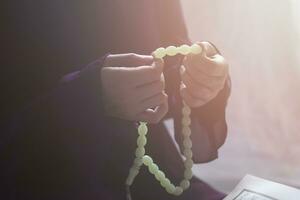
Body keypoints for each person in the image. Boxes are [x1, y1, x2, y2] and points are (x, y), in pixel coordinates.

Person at [1, 0, 230, 199]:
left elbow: (172, 64)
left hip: (156, 179)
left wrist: (202, 77)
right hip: (43, 182)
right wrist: (84, 98)